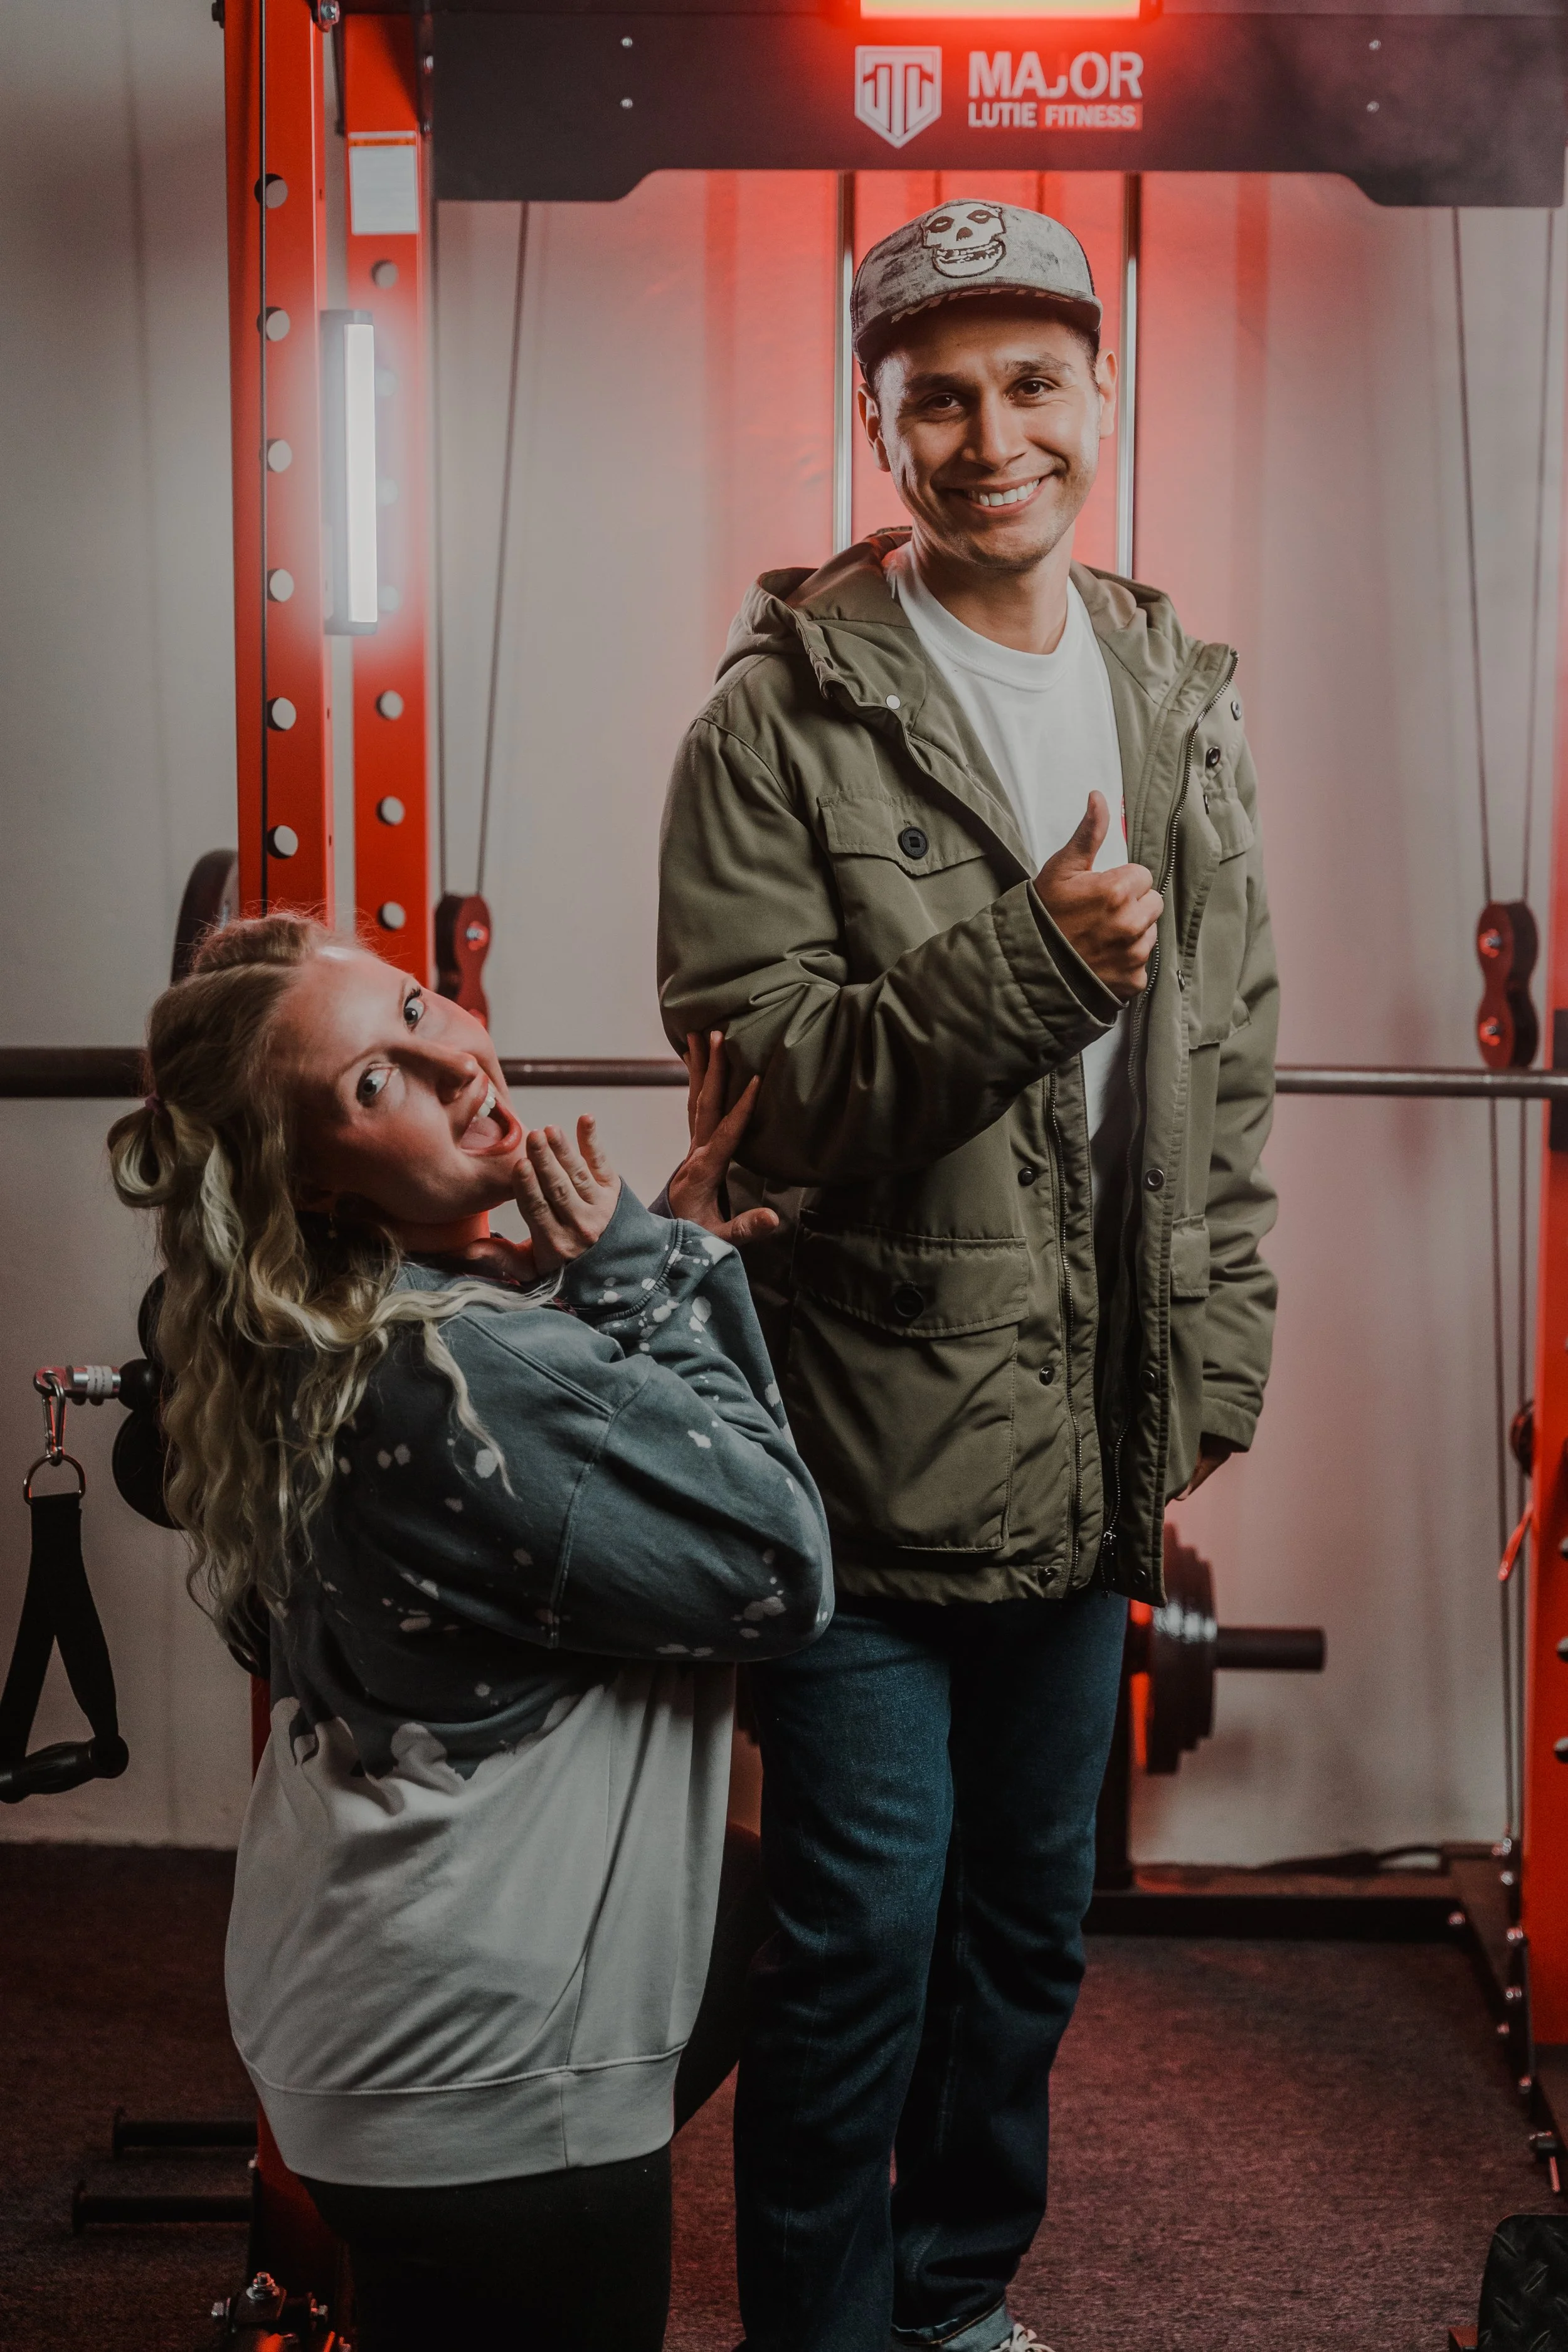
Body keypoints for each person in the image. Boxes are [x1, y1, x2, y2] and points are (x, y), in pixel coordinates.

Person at [657, 201, 1279, 2352]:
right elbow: (773, 1094)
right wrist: (1031, 966)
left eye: (1032, 385)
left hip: (1093, 1442)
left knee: (1027, 1928)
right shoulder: (779, 716)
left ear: (1100, 399)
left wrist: (1207, 1373)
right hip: (852, 1459)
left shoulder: (1168, 690)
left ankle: (953, 2307)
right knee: (858, 1939)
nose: (991, 433)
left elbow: (1231, 1066)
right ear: (878, 423)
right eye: (940, 395)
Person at [107, 914, 833, 2352]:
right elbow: (775, 1558)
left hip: (345, 2028)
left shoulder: (324, 1327)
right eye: (374, 1082)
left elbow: (529, 1442)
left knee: (770, 1906)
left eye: (423, 1006)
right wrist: (650, 1275)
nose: (450, 1058)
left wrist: (647, 1271)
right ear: (305, 1180)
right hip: (475, 2086)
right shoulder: (469, 1367)